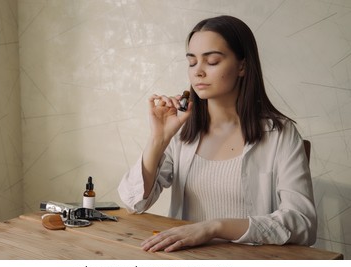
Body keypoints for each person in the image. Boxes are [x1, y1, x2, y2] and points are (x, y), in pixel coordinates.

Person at [118, 15, 317, 252]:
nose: (198, 72)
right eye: (192, 63)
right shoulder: (183, 132)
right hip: (186, 262)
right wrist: (158, 139)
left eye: (212, 61)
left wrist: (214, 227)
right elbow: (133, 203)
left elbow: (303, 224)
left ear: (242, 66)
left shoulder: (280, 134)